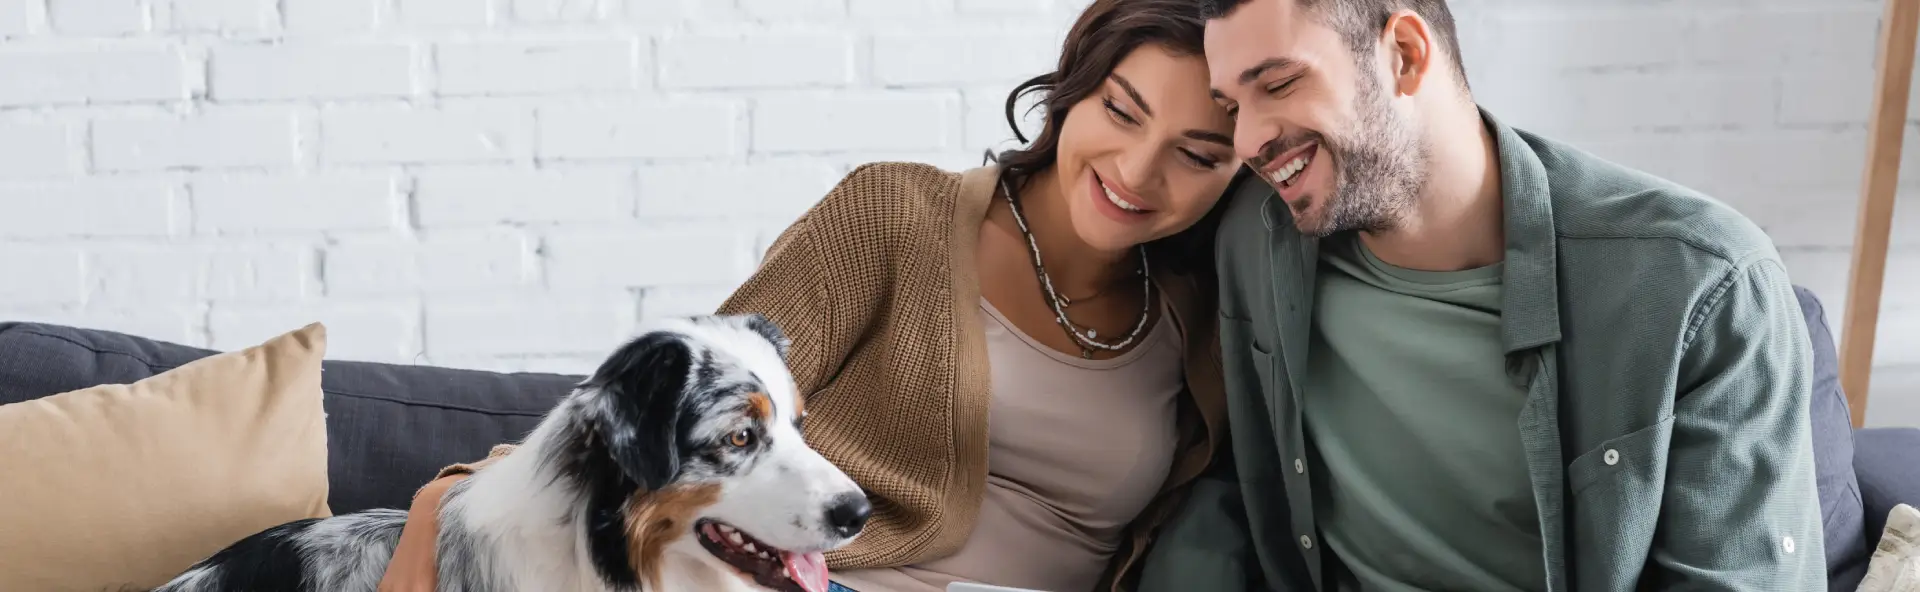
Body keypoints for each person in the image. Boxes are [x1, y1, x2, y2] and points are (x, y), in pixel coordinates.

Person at [374, 1, 1248, 591]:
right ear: (1072, 91)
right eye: (1122, 112)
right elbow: (702, 399)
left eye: (1198, 153)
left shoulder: (1204, 316)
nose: (1139, 171)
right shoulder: (897, 216)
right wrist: (453, 491)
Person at [1135, 0, 1827, 590]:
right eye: (1232, 105)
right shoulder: (1255, 238)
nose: (1248, 139)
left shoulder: (1699, 285)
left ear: (1404, 54)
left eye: (1279, 84)